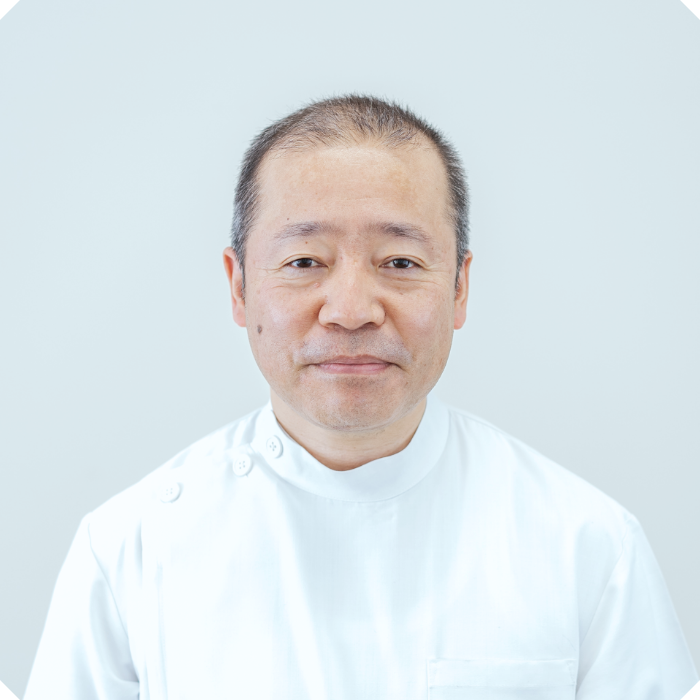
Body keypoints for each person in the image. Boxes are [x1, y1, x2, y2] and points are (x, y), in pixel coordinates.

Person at [24, 95, 697, 700]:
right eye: (304, 262)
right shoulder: (131, 550)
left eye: (400, 262)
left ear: (460, 288)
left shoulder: (588, 547)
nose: (350, 310)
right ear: (239, 287)